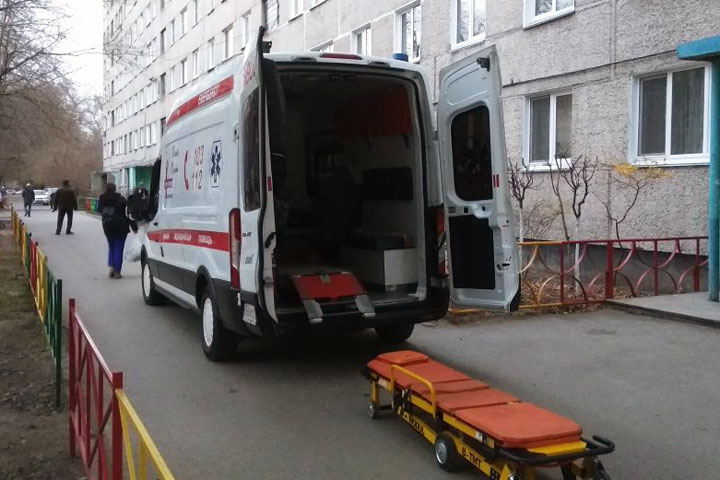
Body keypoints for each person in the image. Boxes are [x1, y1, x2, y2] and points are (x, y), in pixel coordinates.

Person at [98, 183, 137, 279]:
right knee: (119, 248)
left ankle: (111, 267)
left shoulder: (102, 199)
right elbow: (127, 214)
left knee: (111, 247)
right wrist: (134, 227)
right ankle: (117, 271)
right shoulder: (121, 199)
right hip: (121, 227)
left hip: (107, 226)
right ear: (115, 189)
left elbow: (100, 210)